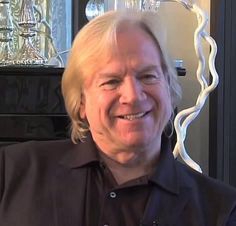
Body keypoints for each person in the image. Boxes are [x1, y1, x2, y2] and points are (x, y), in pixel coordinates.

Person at [0, 10, 236, 226]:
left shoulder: (221, 209)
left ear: (169, 88)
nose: (133, 96)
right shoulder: (11, 172)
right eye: (111, 81)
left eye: (147, 76)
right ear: (81, 102)